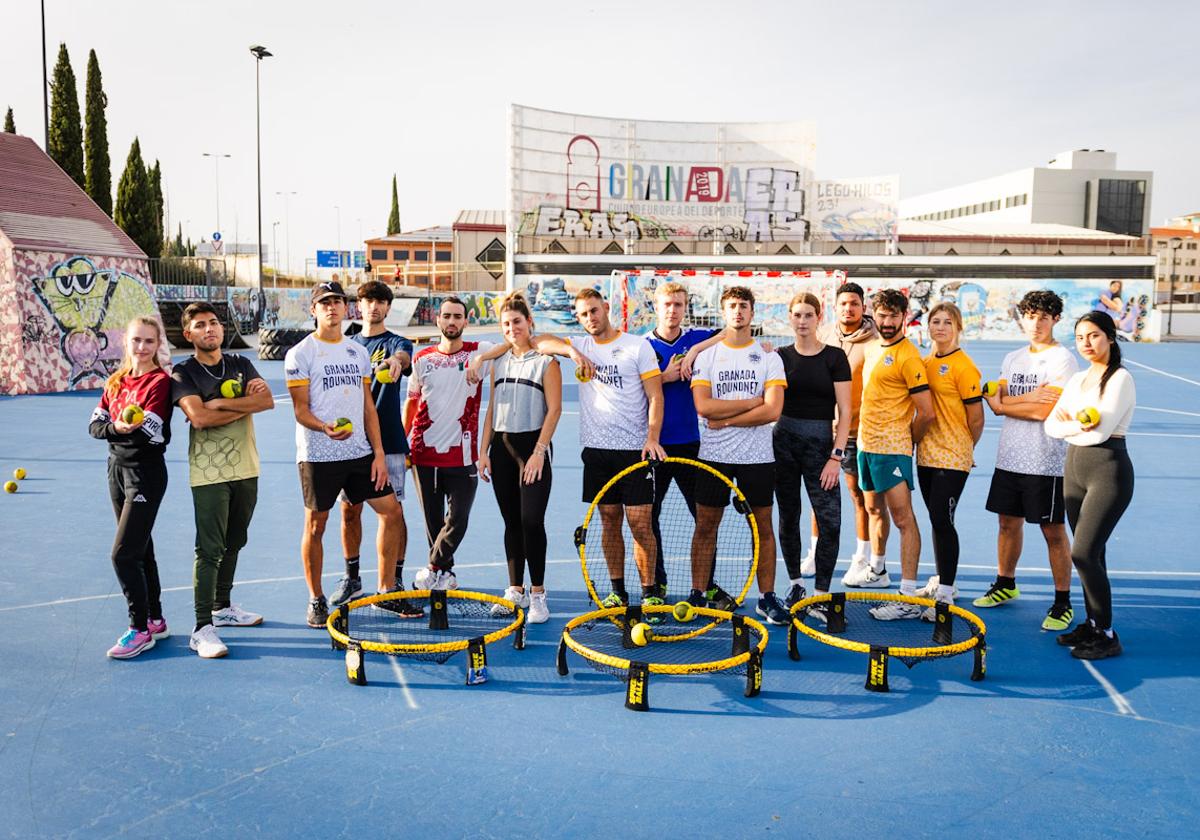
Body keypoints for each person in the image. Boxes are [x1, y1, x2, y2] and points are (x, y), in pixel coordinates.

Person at [521, 288, 667, 611]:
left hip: (635, 451)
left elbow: (656, 396)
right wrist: (572, 353)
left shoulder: (635, 346)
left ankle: (650, 592)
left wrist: (652, 437)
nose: (590, 318)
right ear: (579, 318)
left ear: (606, 308)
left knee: (640, 524)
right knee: (609, 520)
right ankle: (618, 591)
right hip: (597, 452)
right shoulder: (581, 345)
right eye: (584, 314)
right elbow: (537, 341)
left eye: (594, 311)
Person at [285, 281, 407, 628]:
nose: (331, 307)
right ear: (314, 310)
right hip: (319, 454)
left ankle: (386, 590)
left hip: (359, 453)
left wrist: (379, 452)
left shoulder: (358, 352)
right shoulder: (301, 353)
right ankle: (316, 599)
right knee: (316, 525)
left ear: (345, 308)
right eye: (324, 303)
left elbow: (368, 407)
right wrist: (324, 428)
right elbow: (300, 409)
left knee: (391, 511)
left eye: (337, 301)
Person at [171, 303, 275, 658]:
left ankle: (222, 606)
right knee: (210, 549)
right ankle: (201, 627)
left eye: (213, 322)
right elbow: (198, 418)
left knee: (236, 540)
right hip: (209, 472)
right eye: (200, 325)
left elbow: (267, 403)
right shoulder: (182, 372)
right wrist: (236, 404)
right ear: (189, 335)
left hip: (247, 467)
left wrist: (217, 405)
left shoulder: (240, 364)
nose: (209, 329)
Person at [690, 286, 790, 625]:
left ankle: (766, 597)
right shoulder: (707, 356)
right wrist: (751, 402)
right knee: (706, 525)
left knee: (762, 527)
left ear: (752, 311)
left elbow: (773, 410)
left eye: (743, 306)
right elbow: (704, 406)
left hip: (758, 457)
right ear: (723, 312)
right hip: (714, 455)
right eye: (732, 306)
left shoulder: (769, 357)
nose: (738, 311)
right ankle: (698, 594)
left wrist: (728, 418)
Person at [980, 290, 1078, 632]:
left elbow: (1045, 409)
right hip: (1009, 457)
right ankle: (1005, 583)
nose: (1035, 323)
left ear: (1055, 320)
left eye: (1043, 317)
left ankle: (1062, 601)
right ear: (1021, 318)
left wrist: (1008, 405)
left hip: (1045, 460)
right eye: (1030, 315)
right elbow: (995, 398)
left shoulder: (1063, 360)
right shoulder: (1013, 357)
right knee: (1007, 524)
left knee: (1052, 531)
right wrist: (1019, 400)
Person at [1045, 312, 1135, 659]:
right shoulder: (1079, 379)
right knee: (1093, 555)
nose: (1086, 343)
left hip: (1107, 471)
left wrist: (1073, 424)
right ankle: (1093, 623)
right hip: (1075, 469)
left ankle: (1108, 634)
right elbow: (1052, 425)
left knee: (1082, 552)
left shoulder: (1121, 379)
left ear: (1110, 338)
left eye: (1094, 335)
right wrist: (1073, 426)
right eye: (1080, 337)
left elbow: (1099, 431)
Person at [88, 317, 173, 659]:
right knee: (141, 550)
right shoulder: (116, 381)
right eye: (136, 340)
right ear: (126, 342)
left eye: (149, 342)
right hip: (115, 470)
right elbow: (94, 426)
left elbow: (145, 432)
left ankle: (138, 629)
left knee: (122, 554)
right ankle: (155, 619)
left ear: (157, 345)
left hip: (145, 473)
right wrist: (118, 428)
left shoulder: (160, 383)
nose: (142, 348)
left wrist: (119, 428)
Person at [329, 281, 415, 614]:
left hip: (389, 441)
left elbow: (402, 357)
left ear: (388, 308)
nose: (374, 307)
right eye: (368, 301)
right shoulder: (345, 346)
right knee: (349, 511)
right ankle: (352, 578)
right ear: (358, 306)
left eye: (380, 301)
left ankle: (392, 583)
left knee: (394, 513)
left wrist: (396, 362)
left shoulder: (396, 342)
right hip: (352, 444)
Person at [476, 293, 562, 624]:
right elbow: (491, 410)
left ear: (530, 323)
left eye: (517, 321)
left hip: (532, 449)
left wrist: (539, 452)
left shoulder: (547, 362)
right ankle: (516, 590)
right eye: (506, 323)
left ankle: (538, 595)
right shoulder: (498, 362)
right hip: (501, 448)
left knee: (531, 521)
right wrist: (484, 451)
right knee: (511, 522)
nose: (512, 328)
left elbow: (554, 410)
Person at [403, 297, 495, 591]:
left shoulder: (478, 351)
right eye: (447, 316)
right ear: (438, 321)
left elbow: (512, 344)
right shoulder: (422, 358)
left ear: (466, 322)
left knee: (457, 519)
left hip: (463, 454)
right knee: (433, 521)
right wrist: (401, 442)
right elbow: (412, 403)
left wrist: (480, 360)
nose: (452, 321)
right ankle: (445, 573)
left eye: (458, 316)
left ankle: (432, 567)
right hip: (423, 453)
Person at [856, 289, 935, 621]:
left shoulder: (909, 356)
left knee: (904, 519)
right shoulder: (871, 347)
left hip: (892, 450)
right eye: (882, 315)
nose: (887, 322)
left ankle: (908, 596)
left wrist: (906, 441)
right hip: (865, 445)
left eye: (893, 316)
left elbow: (927, 413)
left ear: (905, 317)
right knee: (873, 509)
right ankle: (878, 569)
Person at [772, 292, 851, 615]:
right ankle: (794, 585)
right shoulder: (778, 357)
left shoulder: (834, 357)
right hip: (783, 445)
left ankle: (820, 595)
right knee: (789, 516)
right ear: (789, 318)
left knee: (830, 522)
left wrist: (836, 457)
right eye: (797, 315)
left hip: (821, 449)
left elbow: (845, 412)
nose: (802, 321)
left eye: (808, 315)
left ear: (819, 318)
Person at [644, 282, 720, 597]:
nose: (673, 310)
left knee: (704, 516)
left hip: (691, 443)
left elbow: (733, 333)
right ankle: (657, 582)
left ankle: (705, 586)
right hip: (654, 444)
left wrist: (697, 351)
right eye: (667, 304)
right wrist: (665, 377)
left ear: (685, 308)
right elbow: (634, 390)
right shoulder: (642, 346)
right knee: (648, 518)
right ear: (656, 308)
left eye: (678, 305)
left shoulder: (696, 339)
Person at [913, 302, 984, 619]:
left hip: (952, 456)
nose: (940, 327)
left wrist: (966, 449)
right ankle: (944, 581)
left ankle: (945, 595)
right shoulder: (925, 362)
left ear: (958, 328)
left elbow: (977, 419)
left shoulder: (964, 367)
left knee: (943, 520)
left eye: (947, 322)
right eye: (935, 322)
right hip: (925, 454)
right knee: (938, 520)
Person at [818, 283, 887, 587]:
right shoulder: (824, 336)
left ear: (863, 308)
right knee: (819, 492)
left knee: (860, 497)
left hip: (858, 431)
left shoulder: (875, 342)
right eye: (844, 303)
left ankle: (861, 556)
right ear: (836, 307)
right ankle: (813, 551)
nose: (849, 308)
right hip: (823, 427)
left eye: (855, 303)